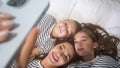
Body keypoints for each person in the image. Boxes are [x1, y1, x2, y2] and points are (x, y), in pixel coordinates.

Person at [10, 39, 76, 68]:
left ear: (65, 64)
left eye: (66, 56)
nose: (59, 54)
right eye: (60, 47)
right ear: (54, 46)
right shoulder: (31, 57)